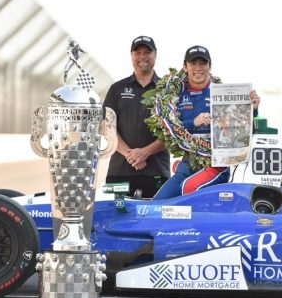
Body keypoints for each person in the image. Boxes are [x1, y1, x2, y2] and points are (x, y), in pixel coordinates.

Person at [153, 45, 260, 199]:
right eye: (193, 63)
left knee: (188, 188)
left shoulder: (224, 93)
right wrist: (193, 122)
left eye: (203, 63)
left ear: (210, 66)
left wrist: (253, 109)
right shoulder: (177, 92)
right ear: (185, 66)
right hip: (188, 163)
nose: (198, 68)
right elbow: (169, 128)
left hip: (216, 165)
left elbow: (242, 129)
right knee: (157, 202)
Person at [103, 36, 170, 198]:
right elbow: (105, 126)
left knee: (155, 220)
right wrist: (130, 155)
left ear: (155, 55)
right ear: (131, 55)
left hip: (157, 172)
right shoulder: (117, 89)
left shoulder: (168, 91)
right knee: (115, 218)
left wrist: (145, 152)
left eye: (147, 52)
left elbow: (174, 131)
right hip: (120, 171)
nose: (142, 57)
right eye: (137, 52)